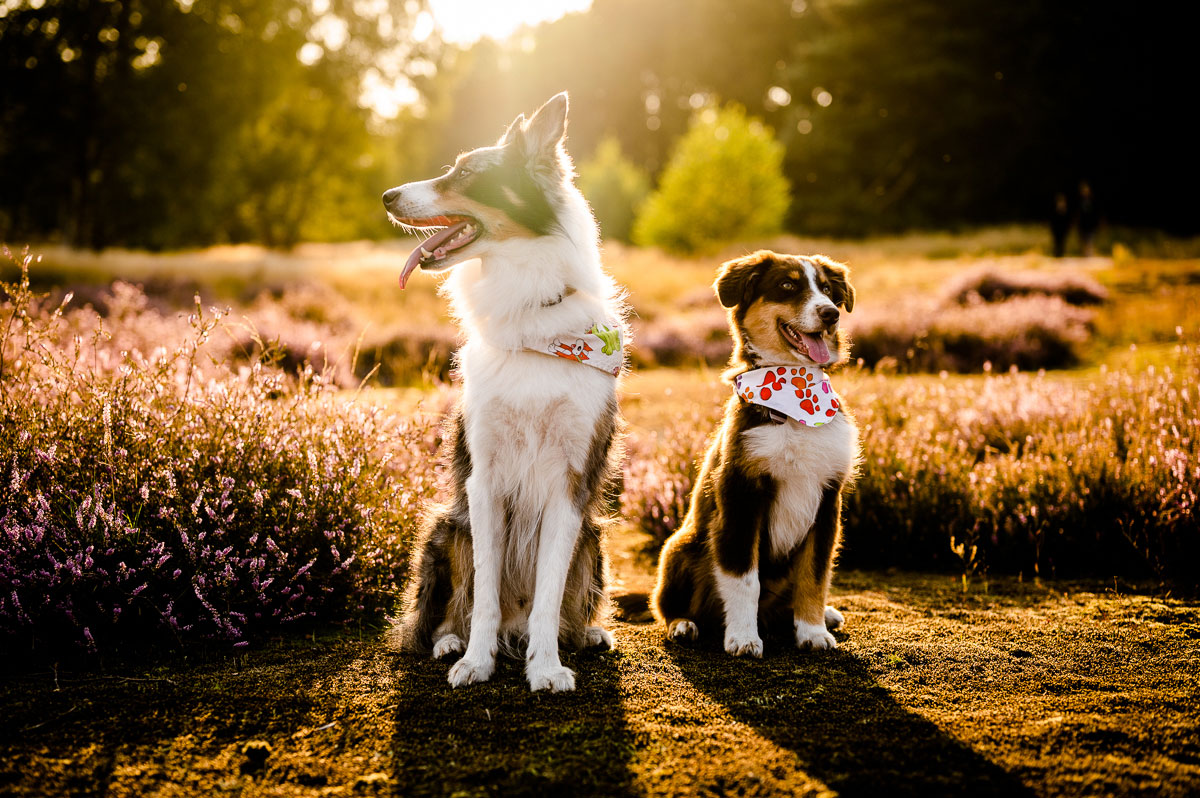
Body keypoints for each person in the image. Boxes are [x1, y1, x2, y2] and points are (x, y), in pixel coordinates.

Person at [1078, 181, 1099, 257]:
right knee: (1083, 240)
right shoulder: (1079, 201)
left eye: (1086, 190)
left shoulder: (1093, 200)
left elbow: (1097, 212)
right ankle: (1084, 254)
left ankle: (1089, 254)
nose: (1085, 192)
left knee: (1090, 240)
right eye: (1083, 190)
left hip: (1091, 224)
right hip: (1082, 224)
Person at [1050, 192, 1070, 257]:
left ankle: (1061, 254)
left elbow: (1067, 221)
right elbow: (1052, 221)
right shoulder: (1055, 210)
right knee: (1056, 243)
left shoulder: (1065, 211)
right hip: (1056, 230)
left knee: (1062, 243)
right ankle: (1056, 254)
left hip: (1063, 230)